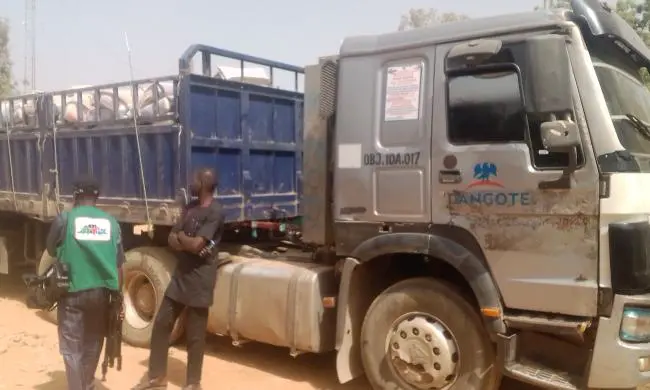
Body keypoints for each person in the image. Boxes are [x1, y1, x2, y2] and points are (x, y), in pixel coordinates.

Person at [133, 167, 224, 390]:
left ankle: (193, 384)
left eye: (195, 179)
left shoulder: (215, 211)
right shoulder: (189, 208)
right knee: (162, 324)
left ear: (203, 183)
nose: (191, 183)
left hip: (201, 280)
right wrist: (187, 240)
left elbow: (197, 245)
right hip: (181, 277)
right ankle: (157, 379)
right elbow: (172, 239)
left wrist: (184, 239)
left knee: (195, 335)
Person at [45, 176, 125, 390]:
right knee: (93, 343)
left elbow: (51, 250)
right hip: (102, 294)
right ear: (96, 198)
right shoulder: (112, 224)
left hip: (72, 292)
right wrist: (119, 297)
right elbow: (119, 265)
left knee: (72, 347)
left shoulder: (65, 219)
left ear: (76, 196)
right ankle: (87, 384)